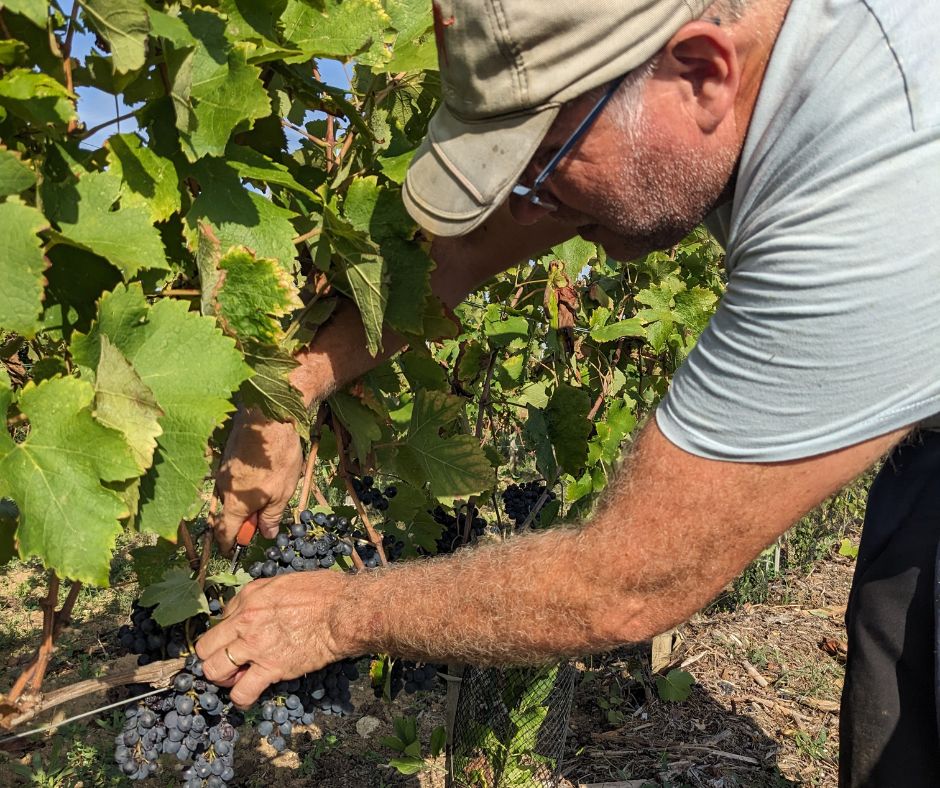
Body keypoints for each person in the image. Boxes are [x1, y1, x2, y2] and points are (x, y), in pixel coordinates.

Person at [196, 0, 940, 783]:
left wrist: (339, 615)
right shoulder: (668, 96)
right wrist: (293, 388)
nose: (526, 204)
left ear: (702, 73)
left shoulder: (881, 203)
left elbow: (629, 581)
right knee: (899, 662)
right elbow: (477, 246)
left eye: (540, 164)